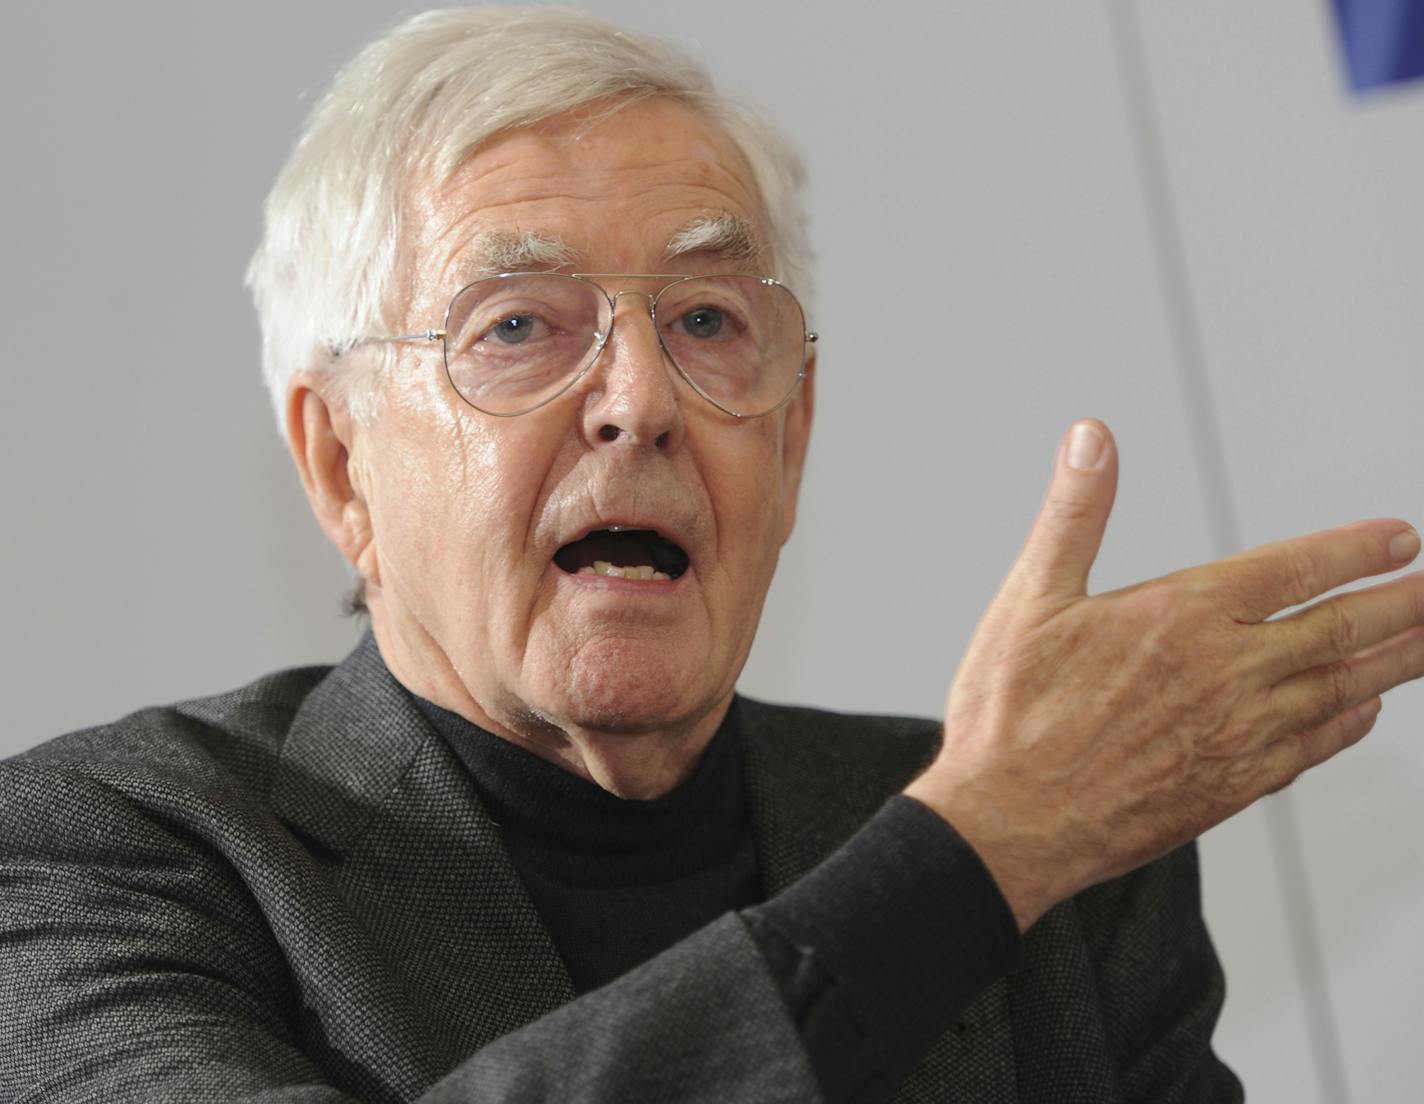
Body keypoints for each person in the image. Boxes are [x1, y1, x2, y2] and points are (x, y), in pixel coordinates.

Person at [2, 7, 1421, 1102]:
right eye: (517, 325)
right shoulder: (108, 854)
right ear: (338, 462)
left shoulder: (1074, 878)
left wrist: (1009, 846)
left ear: (793, 436)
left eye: (707, 320)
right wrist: (976, 858)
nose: (641, 399)